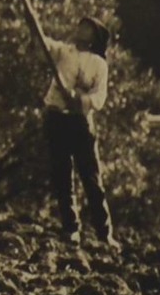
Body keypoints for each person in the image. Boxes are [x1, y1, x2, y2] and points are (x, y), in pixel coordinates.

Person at [42, 15, 118, 249]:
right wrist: (32, 21)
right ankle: (71, 228)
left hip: (80, 122)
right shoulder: (64, 51)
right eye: (80, 25)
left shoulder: (99, 64)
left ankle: (104, 233)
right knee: (62, 174)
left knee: (91, 177)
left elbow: (99, 98)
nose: (80, 29)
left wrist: (79, 99)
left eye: (86, 28)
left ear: (94, 38)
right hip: (56, 117)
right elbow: (44, 43)